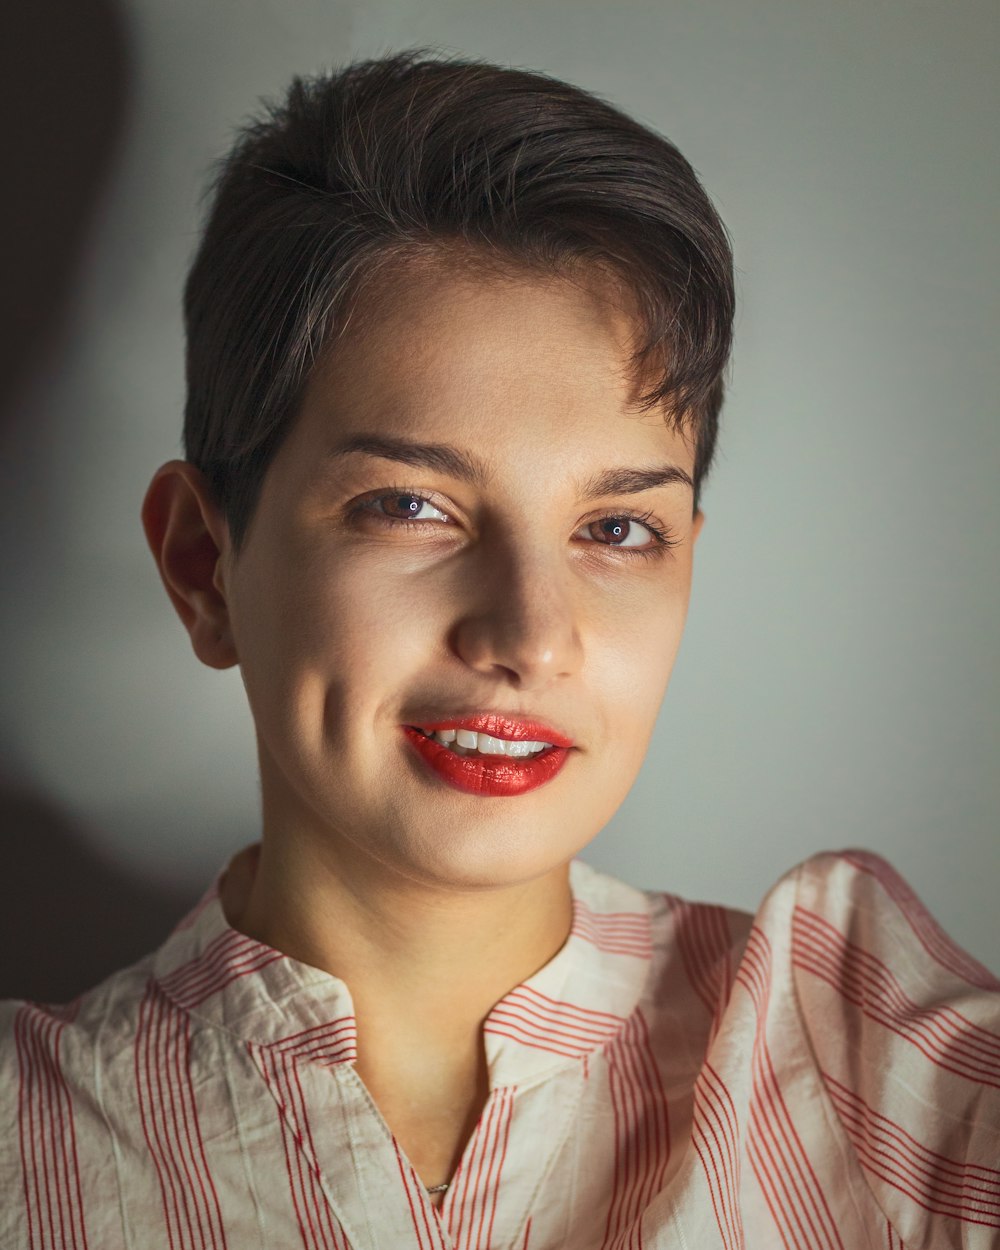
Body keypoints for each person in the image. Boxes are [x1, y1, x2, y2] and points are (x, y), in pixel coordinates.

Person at [2, 47, 997, 1250]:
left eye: (617, 528)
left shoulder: (874, 1073)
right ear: (203, 565)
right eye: (411, 506)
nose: (527, 635)